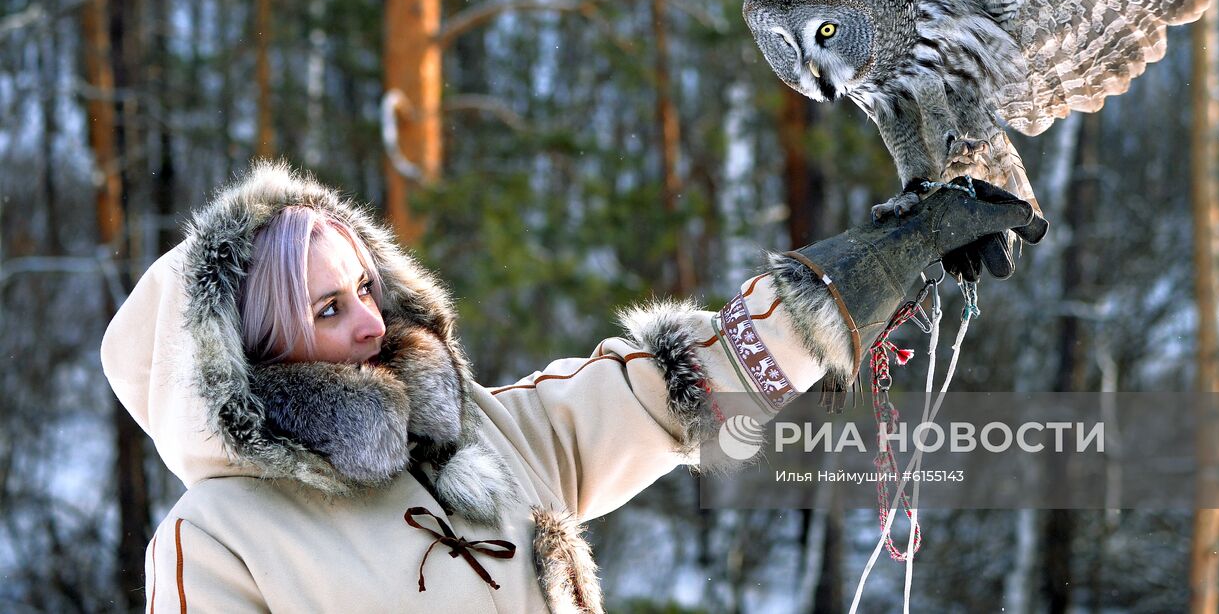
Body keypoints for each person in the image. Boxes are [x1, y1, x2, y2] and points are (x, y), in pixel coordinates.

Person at [102, 160, 1038, 611]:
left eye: (366, 289)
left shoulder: (479, 439)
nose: (371, 323)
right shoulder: (213, 541)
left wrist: (858, 278)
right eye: (327, 310)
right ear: (259, 347)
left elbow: (681, 392)